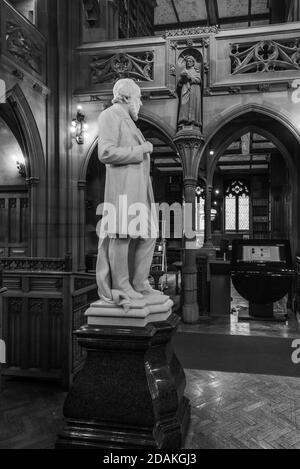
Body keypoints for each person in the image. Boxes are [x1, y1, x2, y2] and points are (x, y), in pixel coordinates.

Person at [96, 78, 160, 311]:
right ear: (124, 97)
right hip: (122, 190)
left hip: (139, 190)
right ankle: (122, 286)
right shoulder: (110, 115)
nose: (141, 103)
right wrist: (140, 150)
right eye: (139, 97)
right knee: (122, 236)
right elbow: (106, 152)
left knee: (150, 234)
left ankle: (140, 282)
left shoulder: (129, 121)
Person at [177, 55, 202, 129]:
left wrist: (190, 77)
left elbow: (199, 80)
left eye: (190, 61)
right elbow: (179, 84)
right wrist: (182, 79)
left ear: (193, 63)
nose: (188, 62)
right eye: (187, 61)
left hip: (194, 89)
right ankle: (183, 121)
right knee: (184, 104)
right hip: (185, 89)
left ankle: (192, 121)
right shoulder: (183, 71)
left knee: (193, 104)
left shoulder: (196, 70)